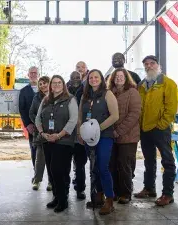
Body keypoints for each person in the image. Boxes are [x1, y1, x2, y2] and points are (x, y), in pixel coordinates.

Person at [133, 55, 177, 206]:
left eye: (152, 63)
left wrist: (162, 124)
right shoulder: (142, 85)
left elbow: (171, 107)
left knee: (167, 160)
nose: (149, 66)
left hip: (160, 129)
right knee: (149, 160)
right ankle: (149, 188)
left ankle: (168, 194)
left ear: (158, 65)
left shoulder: (167, 83)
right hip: (145, 129)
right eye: (146, 64)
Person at [78, 69, 119, 215]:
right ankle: (99, 196)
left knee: (103, 167)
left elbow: (115, 116)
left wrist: (97, 129)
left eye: (96, 77)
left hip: (104, 136)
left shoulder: (108, 94)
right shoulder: (85, 96)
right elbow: (80, 117)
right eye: (91, 77)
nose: (93, 79)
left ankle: (109, 200)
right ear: (88, 80)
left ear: (101, 79)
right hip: (88, 138)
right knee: (94, 168)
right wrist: (80, 133)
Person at [35, 75, 78, 213]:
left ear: (63, 84)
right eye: (54, 83)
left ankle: (63, 200)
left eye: (59, 83)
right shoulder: (46, 99)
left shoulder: (71, 99)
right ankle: (56, 197)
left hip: (64, 141)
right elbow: (37, 118)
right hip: (47, 140)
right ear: (50, 85)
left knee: (60, 170)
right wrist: (42, 133)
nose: (56, 85)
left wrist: (58, 135)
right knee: (51, 170)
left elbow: (73, 120)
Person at [107, 68, 141, 204]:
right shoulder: (110, 93)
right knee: (112, 164)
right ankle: (115, 192)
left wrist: (119, 131)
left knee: (125, 165)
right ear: (112, 79)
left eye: (121, 76)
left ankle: (126, 193)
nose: (119, 78)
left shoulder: (133, 92)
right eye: (116, 77)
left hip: (128, 136)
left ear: (126, 78)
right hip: (112, 135)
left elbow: (134, 114)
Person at [66, 71, 88, 200]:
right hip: (67, 135)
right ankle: (65, 189)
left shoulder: (86, 91)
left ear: (81, 78)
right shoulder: (64, 91)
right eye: (73, 77)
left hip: (81, 134)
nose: (75, 79)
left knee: (80, 165)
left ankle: (80, 189)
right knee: (66, 165)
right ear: (69, 79)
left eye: (78, 78)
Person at [29, 76, 52, 191]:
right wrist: (39, 124)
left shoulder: (56, 95)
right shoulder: (36, 97)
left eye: (45, 83)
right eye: (41, 84)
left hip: (54, 132)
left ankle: (51, 182)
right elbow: (31, 113)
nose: (43, 85)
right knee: (39, 159)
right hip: (41, 132)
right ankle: (37, 180)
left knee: (52, 159)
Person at [19, 66, 39, 182]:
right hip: (32, 127)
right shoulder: (24, 91)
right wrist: (27, 124)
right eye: (31, 73)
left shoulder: (46, 89)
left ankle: (51, 179)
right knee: (34, 150)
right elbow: (22, 109)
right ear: (28, 75)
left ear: (38, 74)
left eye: (35, 73)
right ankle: (36, 176)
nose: (33, 75)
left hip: (48, 127)